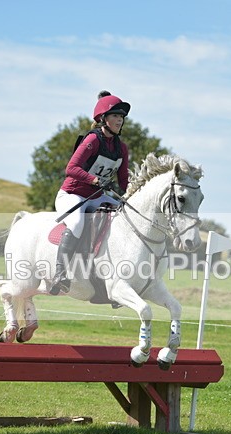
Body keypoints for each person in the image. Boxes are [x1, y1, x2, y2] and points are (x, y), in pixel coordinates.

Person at [49, 90, 131, 295]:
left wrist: (132, 196)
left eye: (121, 117)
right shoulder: (93, 140)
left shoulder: (121, 149)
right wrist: (94, 179)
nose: (119, 120)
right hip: (72, 194)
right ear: (104, 119)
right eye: (115, 116)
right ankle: (60, 273)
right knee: (77, 222)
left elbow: (123, 181)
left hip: (96, 197)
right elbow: (71, 168)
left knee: (123, 216)